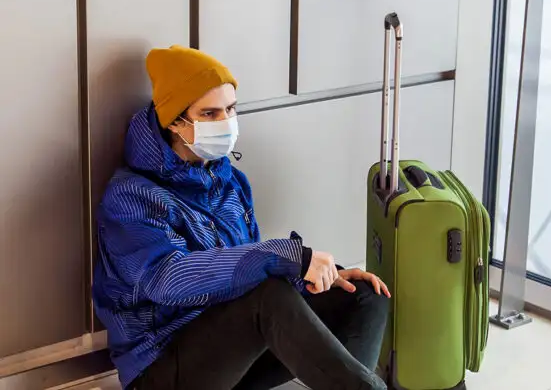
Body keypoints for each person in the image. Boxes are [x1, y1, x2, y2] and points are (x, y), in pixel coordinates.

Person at [93, 45, 391, 390]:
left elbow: (243, 273)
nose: (225, 122)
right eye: (209, 113)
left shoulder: (230, 182)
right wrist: (286, 258)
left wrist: (311, 276)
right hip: (163, 368)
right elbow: (167, 280)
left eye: (230, 109)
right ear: (175, 121)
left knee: (365, 293)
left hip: (234, 355)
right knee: (268, 296)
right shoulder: (131, 197)